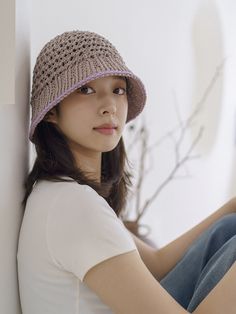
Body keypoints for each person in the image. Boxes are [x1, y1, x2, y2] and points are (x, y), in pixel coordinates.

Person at [17, 29, 236, 314]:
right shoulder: (74, 206)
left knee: (228, 227)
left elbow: (155, 264)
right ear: (51, 111)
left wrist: (231, 205)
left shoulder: (62, 192)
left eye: (117, 90)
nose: (109, 106)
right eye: (86, 89)